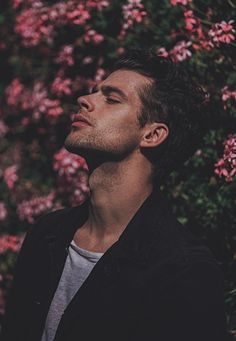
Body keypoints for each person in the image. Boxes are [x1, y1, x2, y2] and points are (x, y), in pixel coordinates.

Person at [1, 49, 227, 341]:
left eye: (111, 98)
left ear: (152, 134)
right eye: (96, 92)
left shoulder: (183, 271)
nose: (85, 99)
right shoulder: (46, 235)